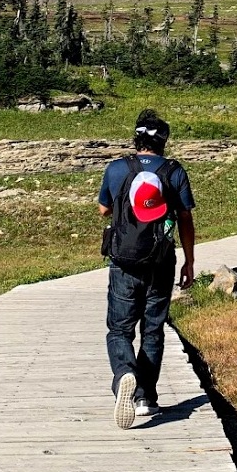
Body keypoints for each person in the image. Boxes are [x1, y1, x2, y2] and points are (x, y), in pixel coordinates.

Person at [98, 109, 196, 429]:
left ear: (136, 138)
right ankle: (144, 397)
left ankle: (124, 374)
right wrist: (189, 261)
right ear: (164, 142)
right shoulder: (174, 171)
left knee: (120, 329)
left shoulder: (116, 169)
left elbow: (103, 209)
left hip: (123, 261)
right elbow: (185, 218)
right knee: (152, 329)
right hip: (161, 261)